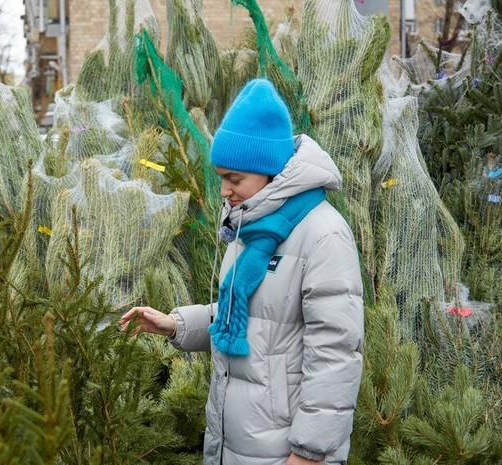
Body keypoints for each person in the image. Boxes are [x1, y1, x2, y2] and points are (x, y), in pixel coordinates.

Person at [119, 78, 364, 465]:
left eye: (235, 179)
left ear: (269, 171)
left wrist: (309, 453)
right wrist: (175, 325)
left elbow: (336, 354)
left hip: (286, 451)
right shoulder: (250, 228)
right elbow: (254, 316)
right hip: (238, 444)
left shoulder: (322, 234)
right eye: (222, 177)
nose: (224, 190)